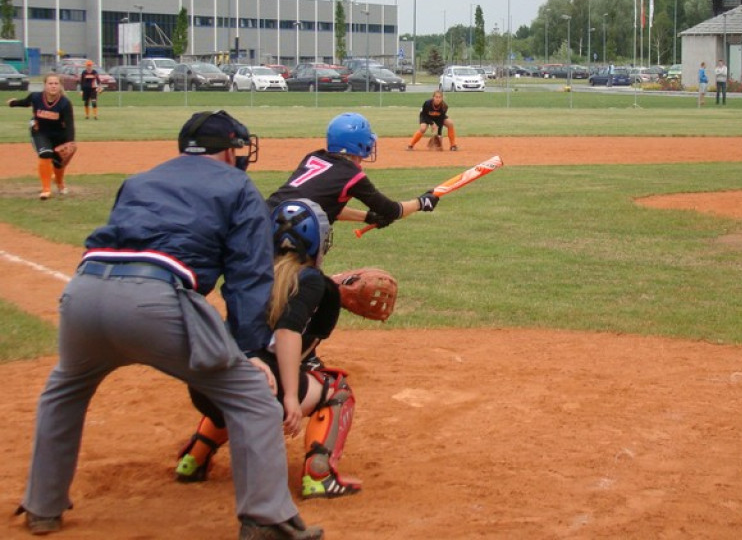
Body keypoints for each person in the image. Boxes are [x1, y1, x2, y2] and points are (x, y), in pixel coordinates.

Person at [17, 110, 323, 540]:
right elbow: (248, 279)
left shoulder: (140, 179)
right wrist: (250, 352)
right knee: (253, 399)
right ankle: (267, 519)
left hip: (83, 293)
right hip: (154, 301)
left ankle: (42, 506)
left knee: (64, 389)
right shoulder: (237, 185)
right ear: (228, 150)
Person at [176, 199, 362, 500]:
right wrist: (290, 395)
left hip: (205, 385)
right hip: (258, 389)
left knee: (236, 384)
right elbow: (288, 332)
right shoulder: (312, 281)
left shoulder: (251, 269)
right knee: (337, 391)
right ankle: (319, 475)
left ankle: (193, 459)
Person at [267, 111, 440, 228]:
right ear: (358, 143)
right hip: (284, 228)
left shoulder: (314, 157)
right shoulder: (351, 175)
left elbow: (326, 206)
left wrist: (368, 217)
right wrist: (421, 203)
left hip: (266, 215)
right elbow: (391, 210)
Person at [7, 73, 76, 200]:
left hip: (59, 135)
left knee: (58, 164)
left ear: (60, 86)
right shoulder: (36, 97)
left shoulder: (65, 103)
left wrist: (70, 141)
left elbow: (70, 123)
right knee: (45, 154)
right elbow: (26, 102)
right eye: (50, 83)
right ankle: (46, 189)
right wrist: (13, 103)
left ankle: (59, 183)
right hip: (40, 132)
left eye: (56, 84)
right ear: (45, 85)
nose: (53, 86)